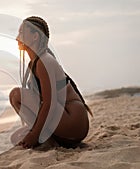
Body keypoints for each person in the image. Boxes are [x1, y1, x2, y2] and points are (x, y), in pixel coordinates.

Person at [9, 16, 93, 149]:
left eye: (21, 33)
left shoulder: (44, 61)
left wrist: (34, 135)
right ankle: (46, 137)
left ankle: (44, 138)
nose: (17, 38)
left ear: (35, 36)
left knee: (16, 94)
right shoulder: (37, 61)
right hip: (67, 122)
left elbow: (49, 103)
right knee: (15, 136)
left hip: (72, 121)